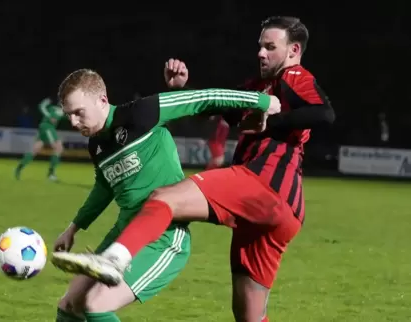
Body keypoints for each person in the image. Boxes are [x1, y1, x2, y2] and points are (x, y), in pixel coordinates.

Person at [51, 16, 335, 322]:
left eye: (270, 47)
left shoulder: (292, 76)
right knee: (249, 316)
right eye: (260, 47)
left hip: (266, 185)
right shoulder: (258, 85)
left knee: (165, 198)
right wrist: (184, 88)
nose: (261, 53)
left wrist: (270, 115)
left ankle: (117, 259)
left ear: (293, 50)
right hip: (267, 214)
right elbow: (221, 108)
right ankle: (117, 256)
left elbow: (324, 114)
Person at [52, 68, 280, 322]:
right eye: (69, 115)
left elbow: (203, 98)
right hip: (123, 235)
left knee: (96, 305)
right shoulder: (97, 144)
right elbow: (104, 186)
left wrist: (262, 101)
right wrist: (73, 227)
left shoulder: (141, 113)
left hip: (163, 238)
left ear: (102, 101)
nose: (73, 122)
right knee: (70, 304)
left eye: (78, 112)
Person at [14, 97, 65, 181]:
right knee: (58, 148)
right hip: (48, 128)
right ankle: (51, 174)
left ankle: (19, 168)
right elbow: (52, 118)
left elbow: (42, 108)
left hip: (44, 127)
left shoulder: (54, 109)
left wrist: (44, 103)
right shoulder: (58, 110)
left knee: (35, 150)